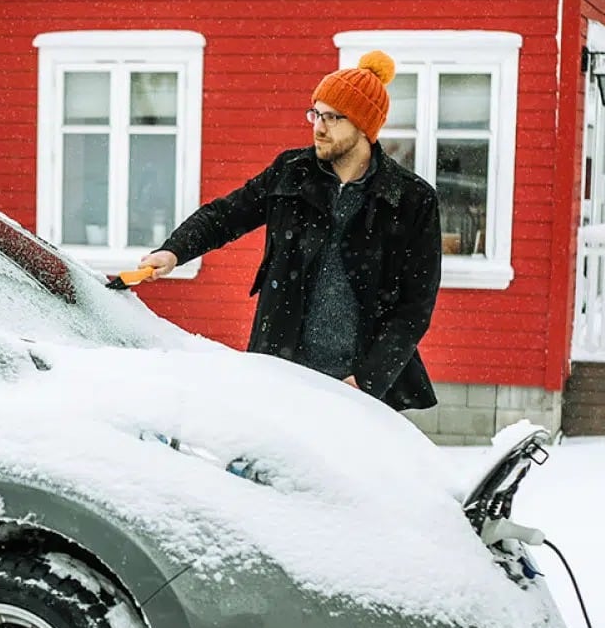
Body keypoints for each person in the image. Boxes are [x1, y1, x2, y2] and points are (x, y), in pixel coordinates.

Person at [137, 50, 442, 411]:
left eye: (332, 117)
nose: (318, 126)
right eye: (315, 113)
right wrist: (173, 251)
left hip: (359, 386)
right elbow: (227, 214)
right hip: (281, 370)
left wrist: (367, 380)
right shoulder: (291, 172)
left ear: (363, 126)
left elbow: (415, 306)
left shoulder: (410, 200)